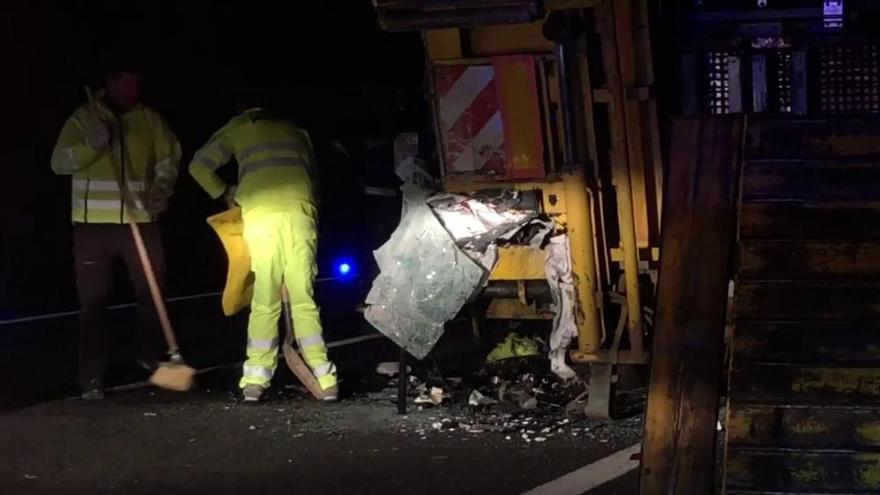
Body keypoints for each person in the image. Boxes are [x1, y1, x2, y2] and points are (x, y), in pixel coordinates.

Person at [189, 98, 337, 402]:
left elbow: (198, 166)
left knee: (265, 299)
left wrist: (224, 191)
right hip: (301, 215)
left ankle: (256, 379)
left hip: (260, 217)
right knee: (304, 299)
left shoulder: (239, 128)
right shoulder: (297, 131)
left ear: (242, 110)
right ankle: (325, 377)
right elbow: (314, 180)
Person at [51, 62, 181, 399]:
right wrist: (92, 145)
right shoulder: (84, 118)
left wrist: (162, 189)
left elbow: (170, 160)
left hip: (141, 222)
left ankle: (148, 355)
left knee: (152, 291)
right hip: (92, 228)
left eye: (138, 84)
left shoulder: (151, 120)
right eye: (128, 83)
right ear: (111, 82)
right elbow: (59, 163)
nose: (134, 91)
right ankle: (91, 376)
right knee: (93, 303)